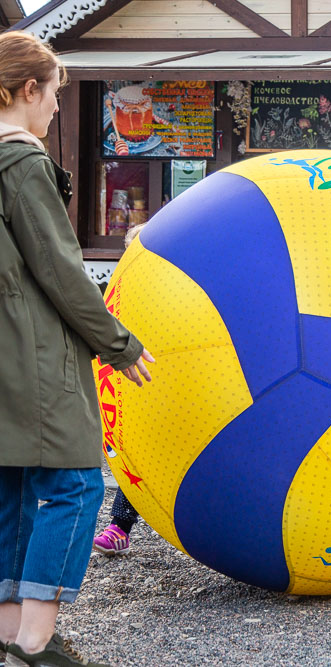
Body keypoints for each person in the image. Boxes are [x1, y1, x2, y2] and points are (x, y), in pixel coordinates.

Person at [0, 31, 154, 667]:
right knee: (77, 485)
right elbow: (62, 272)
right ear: (28, 90)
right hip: (34, 356)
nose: (58, 109)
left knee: (10, 489)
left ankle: (9, 632)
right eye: (56, 94)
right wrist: (118, 344)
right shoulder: (22, 164)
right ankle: (35, 641)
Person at [92, 224, 146, 558]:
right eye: (129, 246)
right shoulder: (122, 287)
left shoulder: (172, 280)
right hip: (131, 385)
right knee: (134, 454)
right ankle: (120, 526)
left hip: (169, 385)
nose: (133, 252)